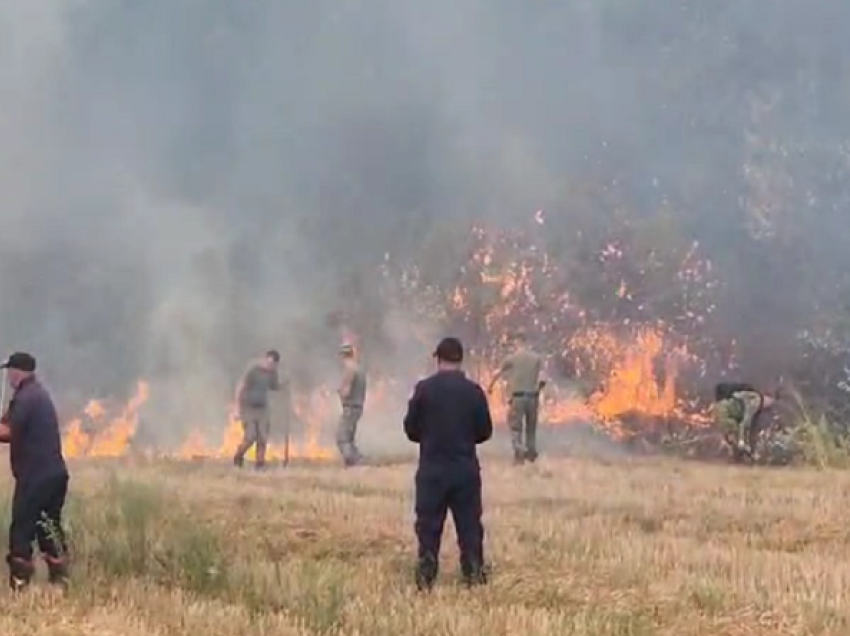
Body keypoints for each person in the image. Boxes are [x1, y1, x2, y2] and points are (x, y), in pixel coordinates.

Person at [404, 337, 493, 591]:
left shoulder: (424, 389)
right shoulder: (474, 391)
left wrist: (429, 436)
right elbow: (485, 431)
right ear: (460, 359)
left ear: (438, 359)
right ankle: (473, 573)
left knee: (428, 524)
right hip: (465, 469)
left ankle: (427, 572)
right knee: (469, 524)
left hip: (432, 469)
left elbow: (410, 429)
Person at [0, 352, 69, 591]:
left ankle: (20, 583)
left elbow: (8, 432)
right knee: (48, 526)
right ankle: (60, 581)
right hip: (55, 474)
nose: (7, 375)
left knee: (22, 528)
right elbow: (8, 423)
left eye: (9, 370)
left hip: (35, 477)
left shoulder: (27, 399)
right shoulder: (36, 395)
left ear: (18, 371)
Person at [487, 331, 546, 464]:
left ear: (517, 342)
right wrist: (536, 390)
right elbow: (543, 379)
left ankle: (520, 453)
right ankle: (531, 454)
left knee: (515, 427)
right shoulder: (537, 358)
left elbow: (498, 373)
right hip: (532, 398)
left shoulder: (511, 358)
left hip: (517, 398)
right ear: (527, 342)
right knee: (531, 428)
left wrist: (490, 386)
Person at [232, 350, 281, 470]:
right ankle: (238, 457)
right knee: (250, 436)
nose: (270, 366)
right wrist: (236, 408)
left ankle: (260, 464)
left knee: (262, 437)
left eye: (273, 364)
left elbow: (274, 386)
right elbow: (241, 386)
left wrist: (284, 384)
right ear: (265, 359)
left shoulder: (272, 373)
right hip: (248, 407)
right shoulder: (253, 370)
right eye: (268, 362)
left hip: (263, 408)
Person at [713, 382, 776, 459]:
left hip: (722, 410)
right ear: (767, 398)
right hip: (725, 412)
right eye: (771, 402)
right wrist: (741, 440)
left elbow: (750, 428)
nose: (769, 406)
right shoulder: (756, 401)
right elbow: (745, 422)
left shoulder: (753, 399)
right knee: (734, 434)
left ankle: (735, 455)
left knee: (734, 438)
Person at [336, 343, 367, 467]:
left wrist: (339, 391)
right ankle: (357, 458)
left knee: (342, 438)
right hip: (358, 407)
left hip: (350, 407)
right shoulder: (359, 369)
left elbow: (346, 392)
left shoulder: (349, 370)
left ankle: (354, 461)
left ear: (342, 356)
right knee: (349, 437)